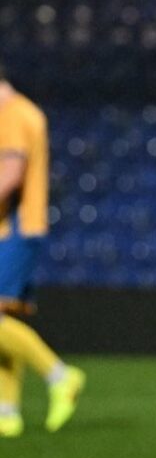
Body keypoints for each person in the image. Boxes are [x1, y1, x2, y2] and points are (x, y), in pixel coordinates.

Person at [0, 60, 86, 436]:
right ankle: (7, 412)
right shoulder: (22, 110)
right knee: (4, 321)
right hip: (17, 227)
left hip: (15, 227)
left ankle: (60, 375)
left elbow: (11, 173)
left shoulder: (13, 113)